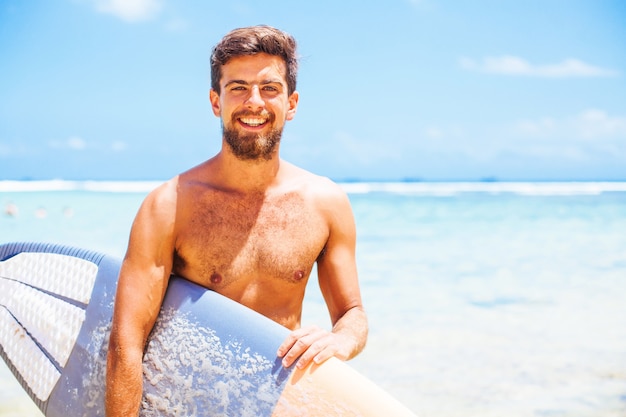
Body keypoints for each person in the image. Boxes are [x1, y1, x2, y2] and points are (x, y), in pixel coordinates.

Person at [105, 25, 368, 415]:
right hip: (187, 404)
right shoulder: (169, 206)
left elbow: (352, 314)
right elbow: (126, 344)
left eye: (270, 88)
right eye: (238, 87)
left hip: (277, 403)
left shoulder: (326, 204)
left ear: (292, 103)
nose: (254, 102)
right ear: (216, 100)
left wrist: (342, 340)